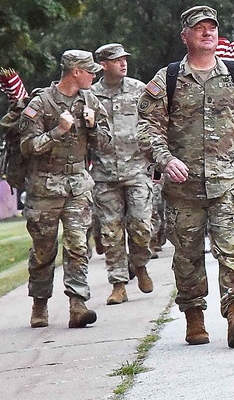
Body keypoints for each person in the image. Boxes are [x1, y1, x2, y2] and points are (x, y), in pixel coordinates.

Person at [137, 5, 234, 348]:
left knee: (232, 250)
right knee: (187, 257)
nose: (207, 32)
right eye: (199, 28)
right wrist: (164, 158)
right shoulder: (168, 78)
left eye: (211, 27)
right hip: (182, 189)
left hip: (226, 184)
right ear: (185, 36)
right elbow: (146, 127)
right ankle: (194, 316)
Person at [19, 50, 112, 329]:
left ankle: (78, 304)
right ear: (75, 72)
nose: (94, 75)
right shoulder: (41, 103)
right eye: (90, 71)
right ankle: (39, 303)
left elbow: (106, 143)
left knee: (77, 246)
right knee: (43, 251)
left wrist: (93, 126)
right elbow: (27, 147)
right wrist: (58, 131)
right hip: (44, 189)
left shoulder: (90, 100)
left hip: (77, 187)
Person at [90, 43, 154, 306]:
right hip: (105, 174)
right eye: (117, 60)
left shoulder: (140, 90)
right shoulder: (90, 96)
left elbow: (154, 122)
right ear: (103, 65)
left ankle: (140, 265)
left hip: (137, 170)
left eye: (125, 59)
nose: (123, 64)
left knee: (140, 226)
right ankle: (118, 283)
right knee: (111, 232)